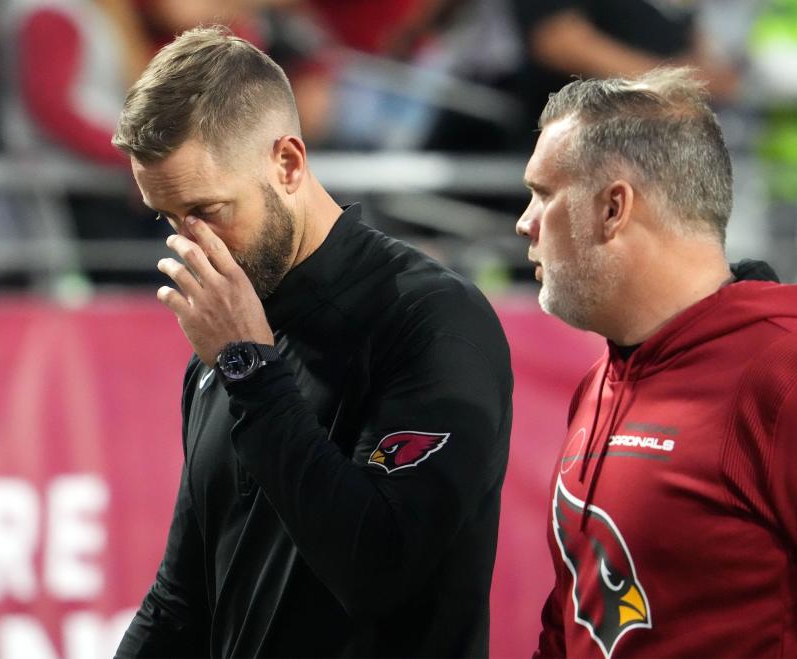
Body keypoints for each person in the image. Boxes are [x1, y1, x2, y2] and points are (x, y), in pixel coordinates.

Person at [111, 26, 512, 658]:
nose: (191, 247)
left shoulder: (433, 320)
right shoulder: (224, 353)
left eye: (208, 211)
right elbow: (181, 601)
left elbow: (378, 568)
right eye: (169, 219)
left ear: (289, 163)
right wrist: (242, 365)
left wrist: (249, 368)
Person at [514, 68, 797, 658]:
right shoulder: (601, 382)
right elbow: (570, 630)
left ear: (614, 208)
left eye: (544, 193)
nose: (526, 221)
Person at [508, 0, 740, 149]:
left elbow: (681, 24)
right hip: (585, 141)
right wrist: (672, 79)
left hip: (667, 140)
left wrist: (710, 72)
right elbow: (556, 39)